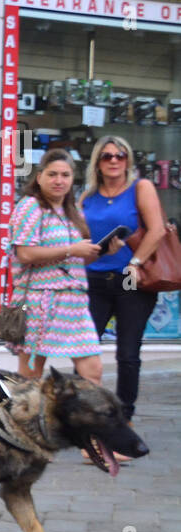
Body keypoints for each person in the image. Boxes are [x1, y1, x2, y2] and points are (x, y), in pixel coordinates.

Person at [82, 136, 166, 424]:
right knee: (84, 349)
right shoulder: (87, 197)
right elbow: (81, 239)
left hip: (130, 278)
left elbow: (157, 231)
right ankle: (90, 412)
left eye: (120, 155)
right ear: (98, 163)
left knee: (127, 352)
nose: (114, 160)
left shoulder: (140, 188)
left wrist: (134, 261)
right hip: (94, 280)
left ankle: (124, 417)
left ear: (128, 160)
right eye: (107, 156)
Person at [7, 149, 105, 383]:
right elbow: (25, 253)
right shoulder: (30, 206)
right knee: (31, 375)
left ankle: (80, 420)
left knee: (93, 371)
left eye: (65, 175)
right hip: (40, 302)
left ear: (73, 179)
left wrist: (99, 251)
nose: (59, 180)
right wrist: (72, 249)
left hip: (75, 304)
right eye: (52, 174)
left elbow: (76, 261)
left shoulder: (74, 211)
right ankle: (27, 419)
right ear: (39, 177)